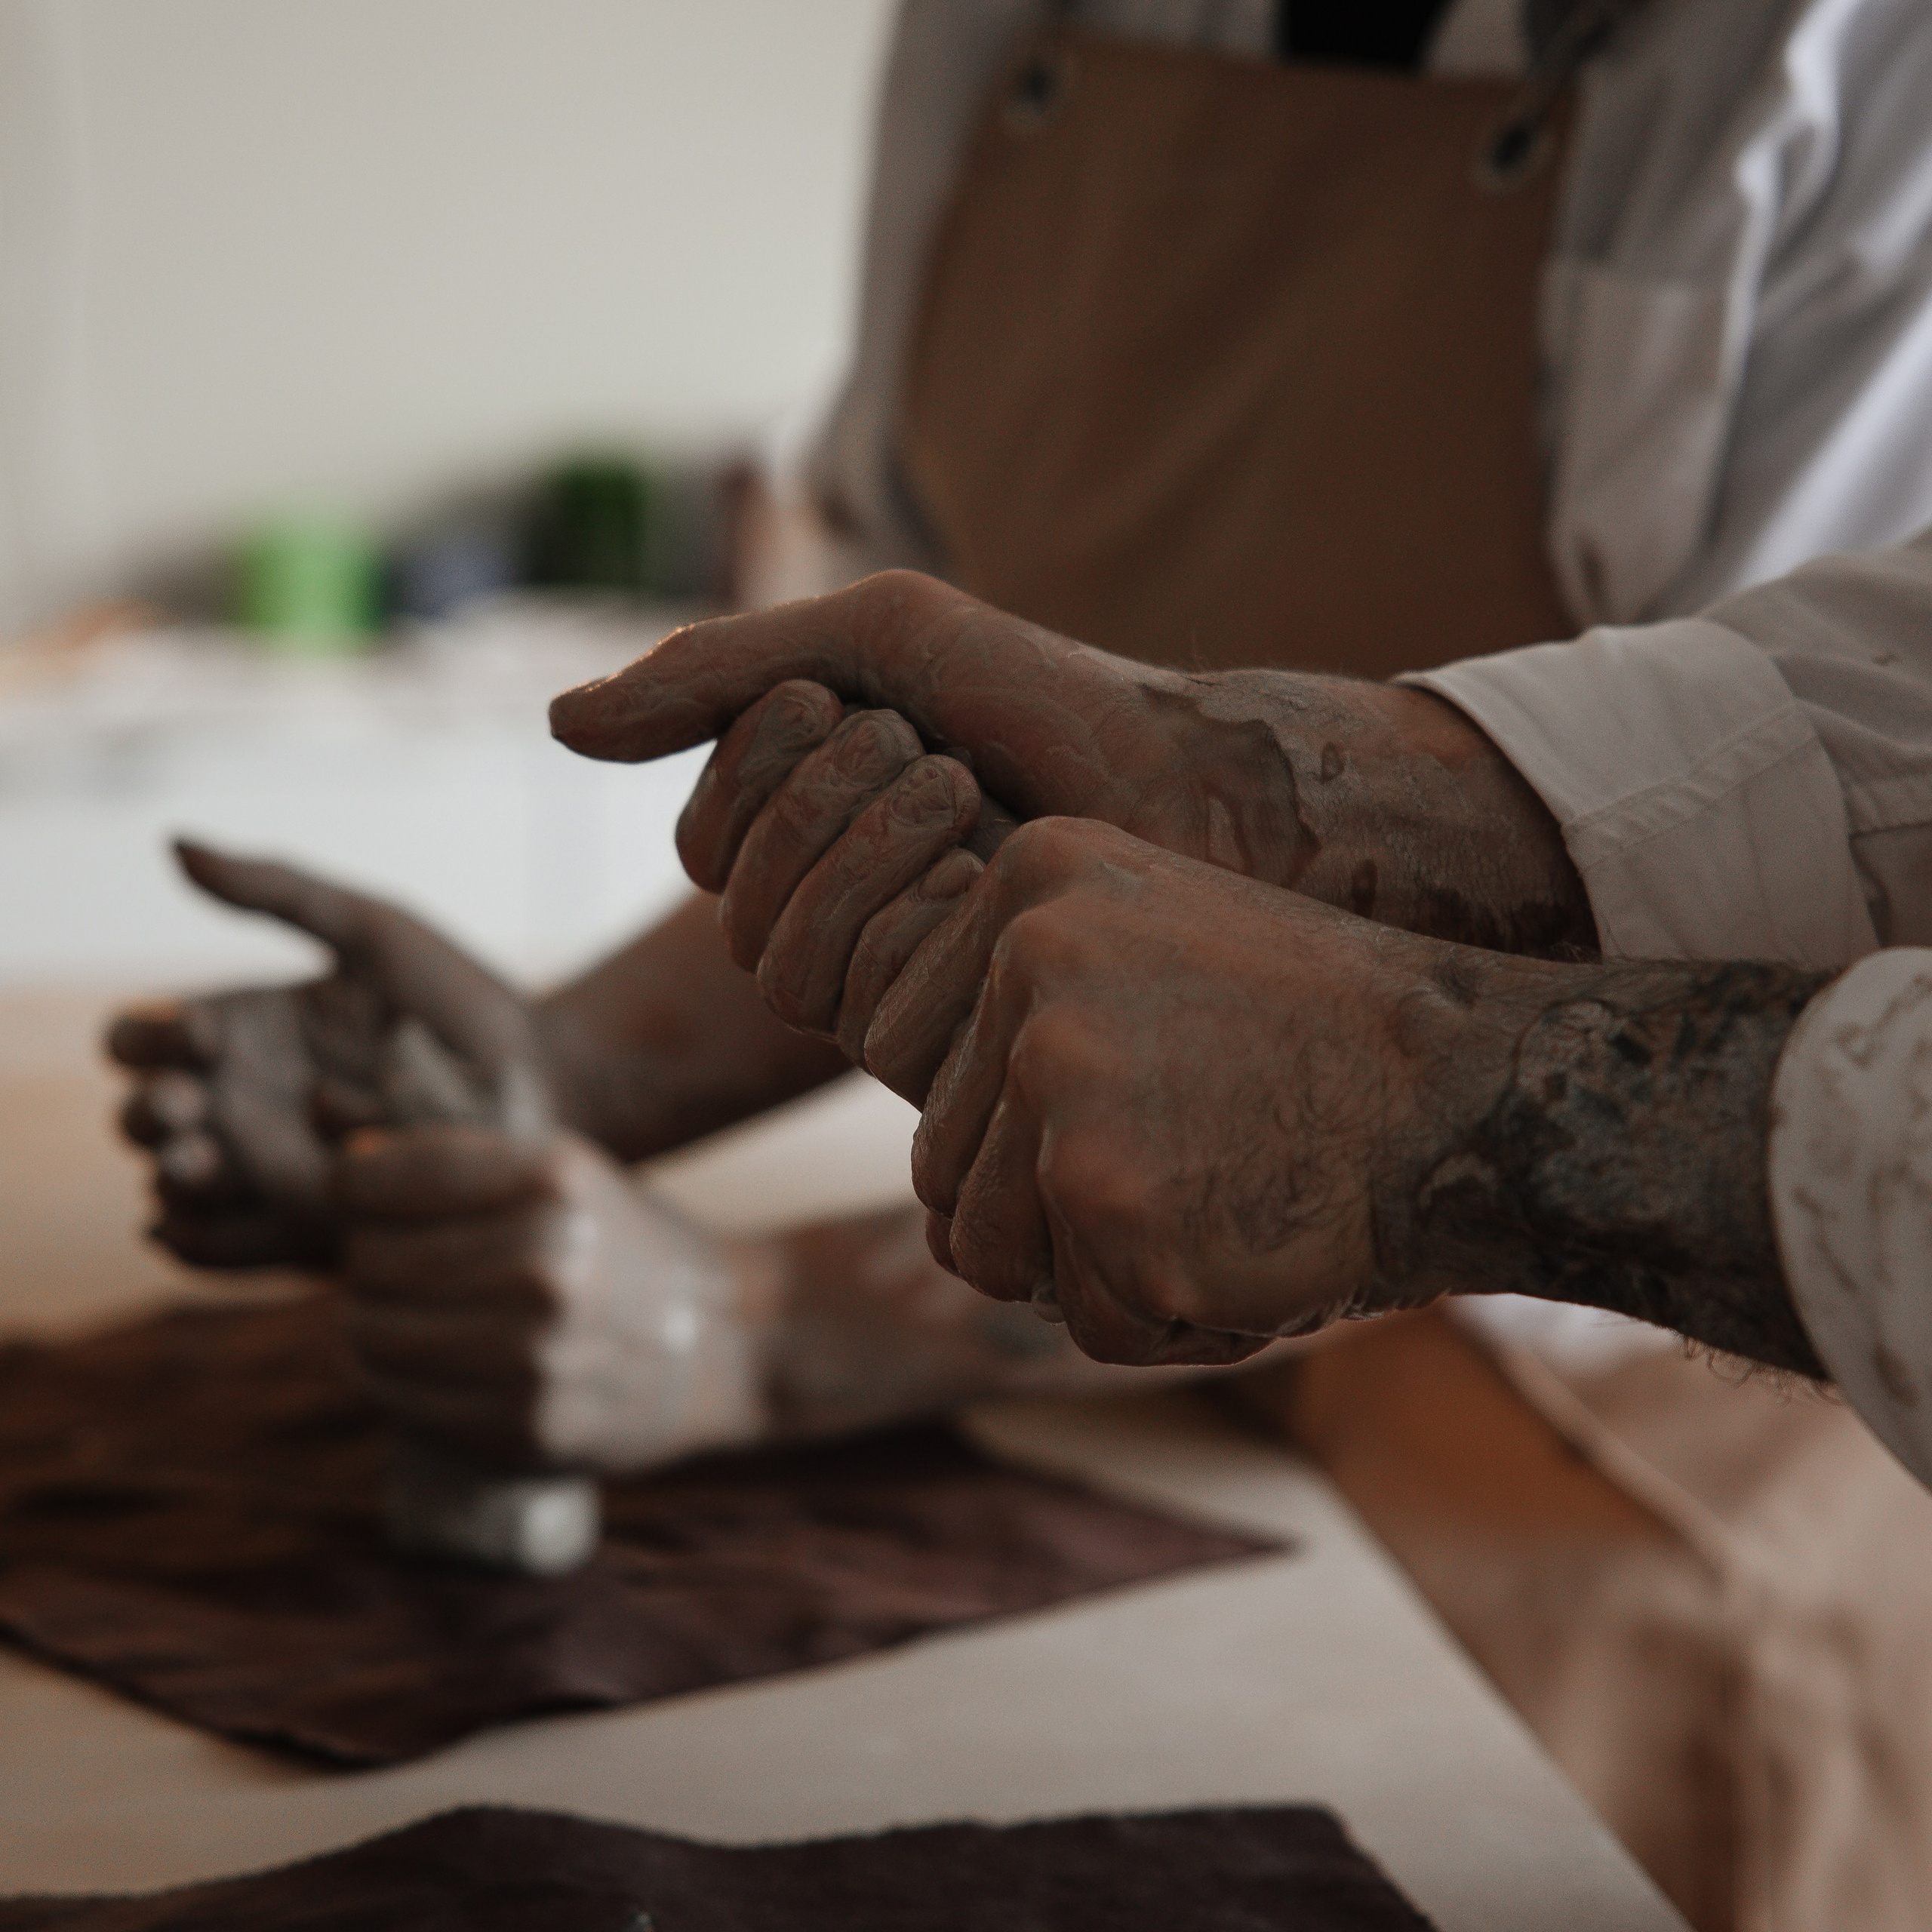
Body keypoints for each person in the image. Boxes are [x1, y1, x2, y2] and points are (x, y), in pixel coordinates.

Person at [109, 1, 1932, 1924]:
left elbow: (1777, 941)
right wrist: (566, 1074)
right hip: (1113, 1341)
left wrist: (759, 1327)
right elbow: (956, 805)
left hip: (1625, 1446)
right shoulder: (1009, 27)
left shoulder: (1841, 60)